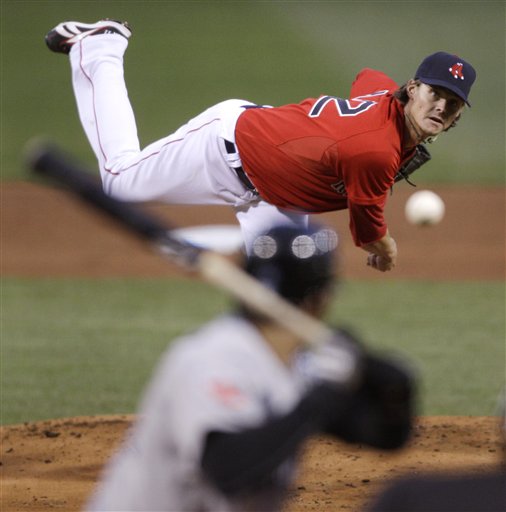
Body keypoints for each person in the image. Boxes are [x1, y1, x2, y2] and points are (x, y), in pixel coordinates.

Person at [44, 19, 476, 272]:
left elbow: (368, 77)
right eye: (434, 93)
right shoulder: (375, 152)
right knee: (119, 183)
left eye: (452, 104)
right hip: (225, 147)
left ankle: (287, 393)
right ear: (414, 88)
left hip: (276, 193)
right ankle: (101, 49)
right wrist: (387, 250)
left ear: (457, 116)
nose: (440, 106)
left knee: (290, 282)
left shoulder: (386, 98)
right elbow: (368, 235)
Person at [85, 223, 415, 512]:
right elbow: (228, 469)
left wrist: (392, 383)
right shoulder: (212, 359)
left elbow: (385, 436)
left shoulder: (298, 367)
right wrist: (323, 398)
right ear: (322, 298)